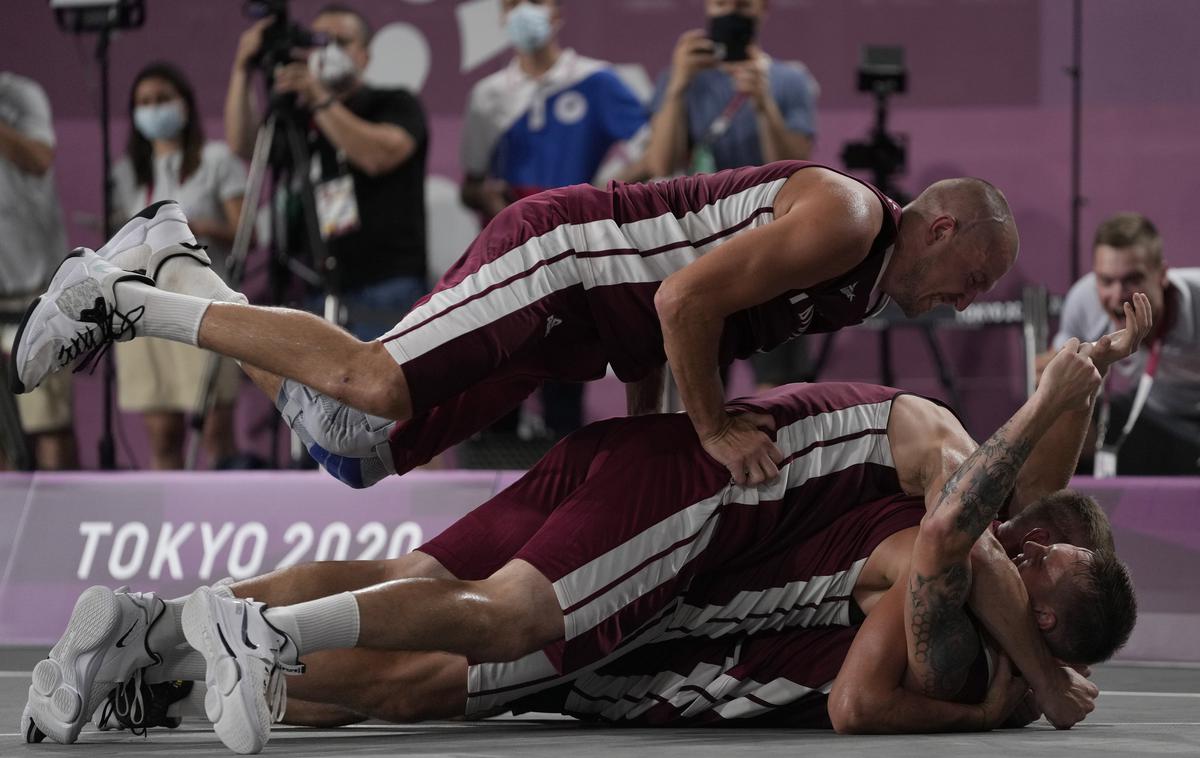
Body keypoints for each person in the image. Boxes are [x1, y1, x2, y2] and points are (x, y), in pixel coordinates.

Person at [22, 320, 1146, 747]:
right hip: (657, 568)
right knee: (427, 668)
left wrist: (1065, 399)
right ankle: (226, 636)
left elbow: (990, 515)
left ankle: (156, 640)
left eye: (1039, 552)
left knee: (412, 576)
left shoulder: (922, 489)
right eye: (1032, 536)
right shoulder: (935, 544)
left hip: (647, 466)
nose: (1022, 539)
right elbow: (929, 587)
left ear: (1047, 598)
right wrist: (1036, 684)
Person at [11, 162, 1019, 490]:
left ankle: (170, 253)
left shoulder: (854, 285)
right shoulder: (846, 218)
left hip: (578, 326)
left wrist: (653, 444)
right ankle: (121, 294)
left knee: (350, 446)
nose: (964, 301)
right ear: (937, 224)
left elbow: (669, 331)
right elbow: (680, 302)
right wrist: (709, 431)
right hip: (561, 259)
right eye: (970, 276)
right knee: (372, 382)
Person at [460, 0, 649, 439]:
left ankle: (562, 489)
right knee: (496, 382)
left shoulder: (596, 80)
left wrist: (596, 197)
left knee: (565, 383)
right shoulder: (488, 95)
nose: (526, 10)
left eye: (537, 1)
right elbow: (471, 183)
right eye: (513, 3)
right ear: (503, 18)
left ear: (557, 13)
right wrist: (490, 199)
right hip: (508, 259)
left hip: (574, 257)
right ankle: (493, 489)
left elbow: (652, 153)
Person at [642, 0, 819, 391]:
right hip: (699, 246)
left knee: (777, 389)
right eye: (723, 3)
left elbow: (797, 166)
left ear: (763, 10)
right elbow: (660, 162)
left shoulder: (789, 80)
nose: (732, 13)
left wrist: (763, 105)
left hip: (771, 246)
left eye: (743, 5)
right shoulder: (681, 77)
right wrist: (677, 88)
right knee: (697, 390)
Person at [225, 3, 429, 340]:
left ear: (364, 55)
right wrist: (241, 69)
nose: (330, 50)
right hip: (316, 288)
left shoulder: (394, 103)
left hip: (387, 288)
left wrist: (318, 97)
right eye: (321, 41)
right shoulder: (300, 118)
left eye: (342, 41)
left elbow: (379, 155)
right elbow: (244, 143)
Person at [110, 62, 248, 469]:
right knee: (162, 433)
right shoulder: (125, 173)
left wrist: (197, 227)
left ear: (185, 106)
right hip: (144, 312)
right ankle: (168, 524)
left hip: (205, 310)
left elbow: (246, 233)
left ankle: (223, 521)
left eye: (162, 100)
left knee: (215, 430)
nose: (154, 109)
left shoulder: (216, 160)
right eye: (144, 103)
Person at [1038, 212, 1200, 475]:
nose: (1117, 296)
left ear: (1162, 274)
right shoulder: (1083, 302)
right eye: (1106, 281)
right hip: (1144, 421)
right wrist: (1051, 383)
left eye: (1132, 280)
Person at [0, 71, 75, 470]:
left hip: (34, 294)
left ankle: (60, 522)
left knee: (49, 424)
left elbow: (38, 159)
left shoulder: (20, 94)